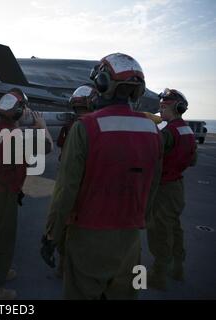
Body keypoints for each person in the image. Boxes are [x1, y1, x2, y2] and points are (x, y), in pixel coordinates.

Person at [50, 53, 163, 299]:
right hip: (131, 241)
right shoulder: (153, 130)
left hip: (88, 238)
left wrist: (51, 235)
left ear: (101, 83)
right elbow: (153, 186)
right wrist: (138, 219)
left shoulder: (86, 127)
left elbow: (66, 190)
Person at [0, 88, 53, 300]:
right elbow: (47, 146)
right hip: (3, 196)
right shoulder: (16, 137)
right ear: (18, 112)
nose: (28, 110)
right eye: (25, 108)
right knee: (2, 240)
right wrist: (43, 127)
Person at [41, 84, 98, 278]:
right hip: (88, 185)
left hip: (68, 179)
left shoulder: (74, 125)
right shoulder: (95, 127)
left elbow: (60, 146)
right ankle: (72, 266)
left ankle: (63, 262)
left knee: (64, 218)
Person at [147, 88, 197, 290]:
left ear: (177, 108)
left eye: (164, 106)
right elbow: (192, 160)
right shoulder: (187, 130)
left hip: (163, 188)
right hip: (177, 186)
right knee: (175, 228)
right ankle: (177, 268)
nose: (160, 109)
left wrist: (151, 127)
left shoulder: (168, 132)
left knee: (159, 230)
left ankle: (158, 275)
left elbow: (152, 154)